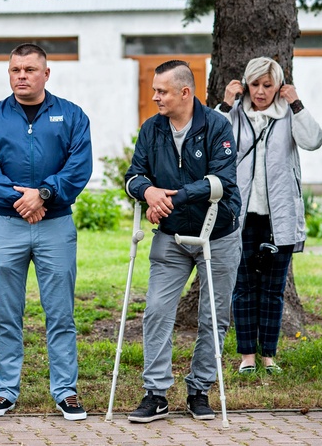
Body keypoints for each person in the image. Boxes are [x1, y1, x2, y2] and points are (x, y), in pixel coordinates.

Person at [0, 43, 92, 421]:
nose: (21, 76)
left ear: (46, 74)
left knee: (60, 312)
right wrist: (21, 200)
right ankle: (5, 390)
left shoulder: (71, 115)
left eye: (28, 69)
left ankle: (66, 390)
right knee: (6, 312)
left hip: (55, 224)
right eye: (15, 70)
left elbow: (79, 165)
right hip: (7, 225)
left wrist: (43, 194)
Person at [124, 60, 241, 422]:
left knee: (214, 317)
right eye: (154, 90)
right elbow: (133, 177)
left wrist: (170, 198)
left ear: (185, 92)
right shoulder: (152, 128)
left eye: (162, 91)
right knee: (157, 310)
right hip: (171, 237)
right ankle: (156, 393)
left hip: (217, 234)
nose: (155, 96)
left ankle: (199, 390)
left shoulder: (217, 125)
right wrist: (149, 193)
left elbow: (221, 181)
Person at [218, 57, 322, 374]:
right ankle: (247, 357)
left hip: (280, 216)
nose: (261, 92)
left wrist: (298, 104)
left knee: (273, 291)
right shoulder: (235, 114)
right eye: (255, 85)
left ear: (279, 86)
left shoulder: (288, 115)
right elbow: (210, 141)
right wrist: (225, 103)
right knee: (244, 288)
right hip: (243, 216)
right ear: (246, 84)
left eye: (268, 85)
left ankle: (269, 356)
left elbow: (313, 140)